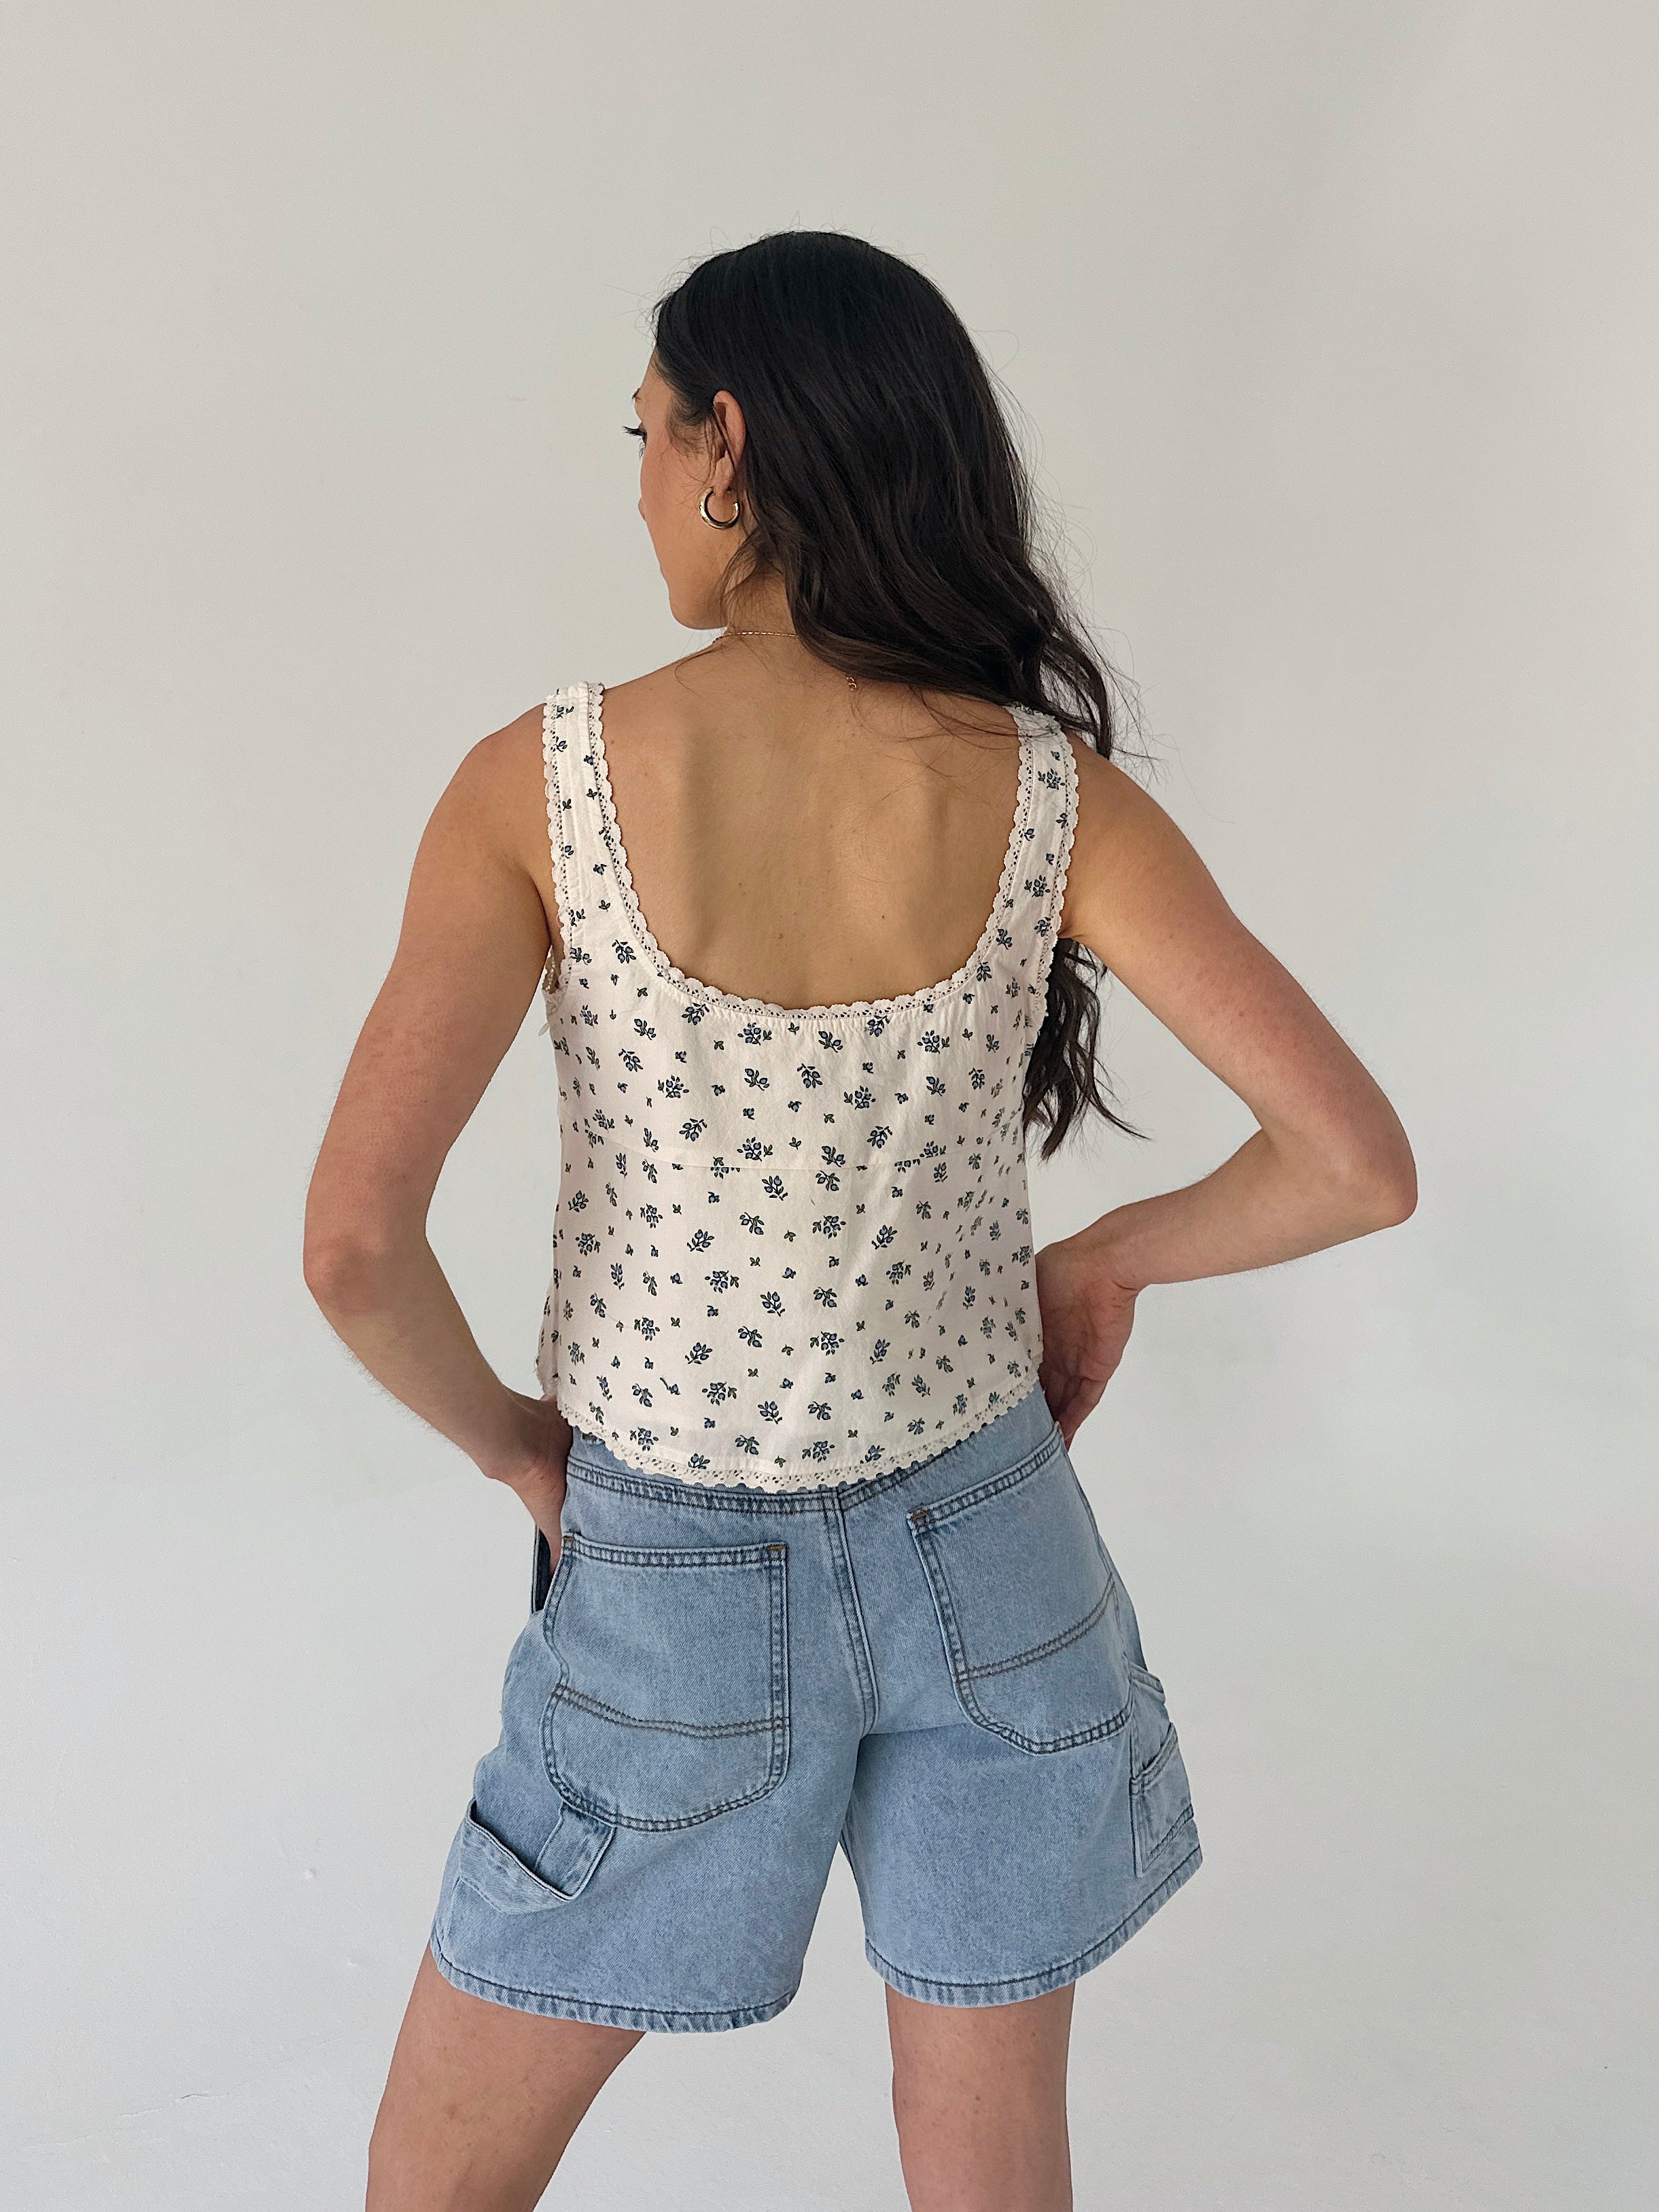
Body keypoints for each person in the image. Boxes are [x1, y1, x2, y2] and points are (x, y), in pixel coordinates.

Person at [304, 230, 1416, 2212]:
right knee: (989, 2173)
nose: (640, 488)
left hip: (668, 1578)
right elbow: (1352, 1159)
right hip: (994, 1546)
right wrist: (1098, 1264)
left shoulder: (538, 787)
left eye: (646, 438)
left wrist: (518, 1453)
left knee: (435, 2181)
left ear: (729, 445)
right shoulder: (1047, 794)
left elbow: (353, 1247)